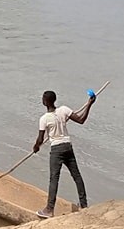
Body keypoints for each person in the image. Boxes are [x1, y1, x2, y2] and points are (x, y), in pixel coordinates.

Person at [32, 89, 94, 218]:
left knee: (54, 179)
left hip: (56, 150)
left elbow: (40, 139)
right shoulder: (64, 110)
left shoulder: (44, 119)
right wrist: (89, 104)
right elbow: (81, 120)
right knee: (76, 176)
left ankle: (49, 210)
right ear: (54, 100)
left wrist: (36, 147)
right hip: (67, 146)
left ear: (44, 102)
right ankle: (84, 205)